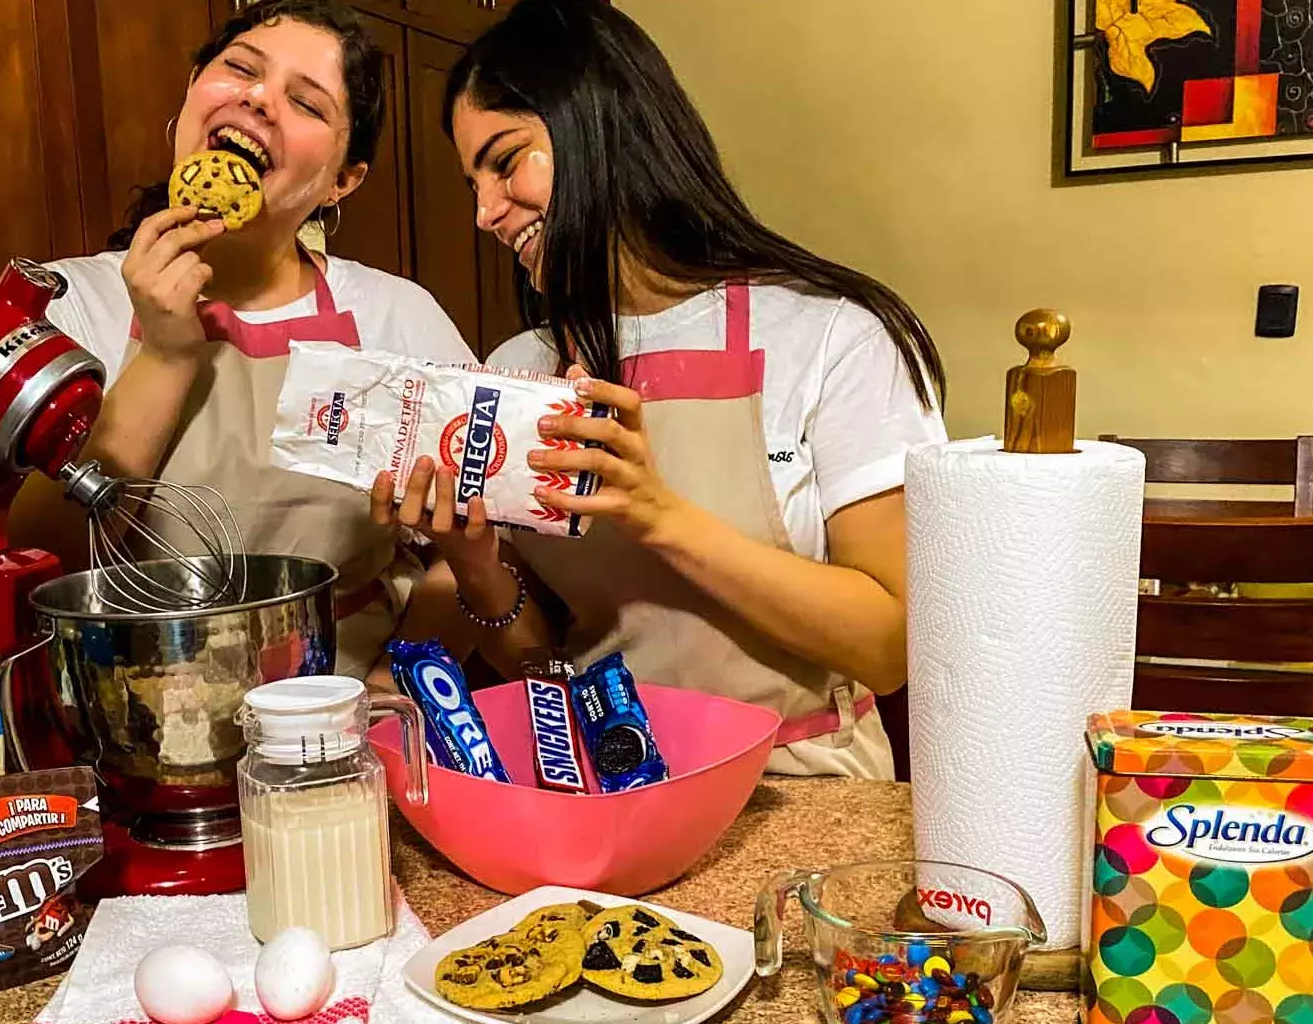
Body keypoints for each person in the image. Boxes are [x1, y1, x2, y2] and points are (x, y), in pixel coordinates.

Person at [372, 0, 948, 779]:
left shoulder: (832, 334)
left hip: (802, 785)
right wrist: (474, 561)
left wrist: (659, 517)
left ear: (600, 123)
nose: (485, 213)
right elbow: (539, 665)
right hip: (608, 786)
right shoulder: (521, 366)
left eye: (506, 161)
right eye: (473, 182)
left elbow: (886, 649)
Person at [15, 0, 474, 678]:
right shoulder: (66, 306)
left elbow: (472, 558)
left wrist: (397, 682)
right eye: (241, 69)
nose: (260, 100)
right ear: (193, 91)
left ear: (342, 181)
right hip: (131, 708)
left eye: (307, 104)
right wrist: (166, 355)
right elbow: (40, 560)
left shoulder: (396, 319)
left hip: (342, 708)